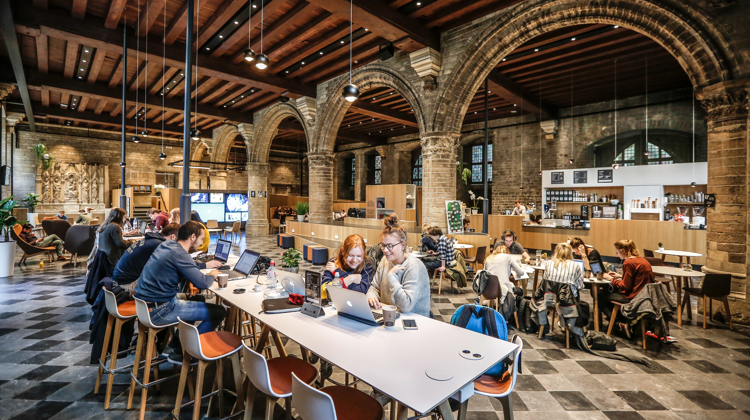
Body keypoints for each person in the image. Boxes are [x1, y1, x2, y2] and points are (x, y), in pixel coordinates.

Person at [134, 221, 225, 334]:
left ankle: (177, 345)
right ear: (192, 237)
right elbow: (203, 283)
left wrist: (202, 267)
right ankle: (187, 348)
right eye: (201, 239)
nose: (201, 243)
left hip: (145, 305)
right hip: (160, 310)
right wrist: (212, 275)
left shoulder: (167, 245)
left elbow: (184, 266)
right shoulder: (180, 254)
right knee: (219, 312)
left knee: (199, 298)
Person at [366, 213, 430, 316]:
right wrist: (371, 296)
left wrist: (391, 276)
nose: (385, 250)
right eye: (383, 245)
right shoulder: (385, 261)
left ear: (402, 245)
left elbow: (406, 306)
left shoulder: (414, 266)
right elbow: (374, 287)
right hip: (390, 317)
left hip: (413, 322)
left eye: (390, 246)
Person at [111, 223, 181, 287]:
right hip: (125, 285)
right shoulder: (160, 245)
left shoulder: (152, 240)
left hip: (118, 279)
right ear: (173, 237)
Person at [602, 240, 654, 314]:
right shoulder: (642, 260)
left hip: (634, 297)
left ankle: (618, 321)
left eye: (617, 252)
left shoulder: (628, 262)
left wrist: (611, 278)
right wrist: (620, 276)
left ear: (623, 251)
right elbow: (637, 278)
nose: (617, 254)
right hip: (644, 296)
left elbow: (625, 286)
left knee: (601, 297)